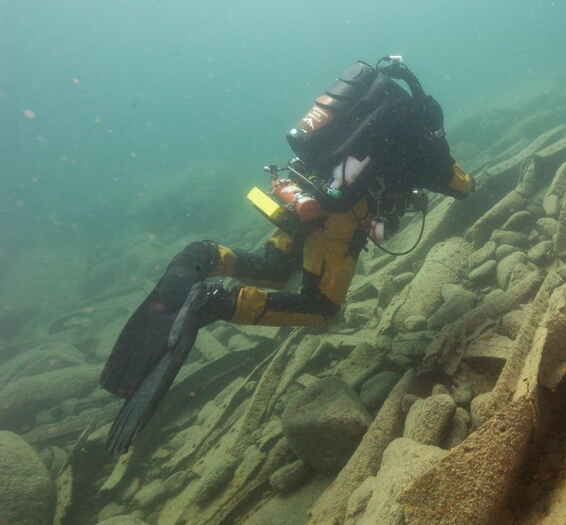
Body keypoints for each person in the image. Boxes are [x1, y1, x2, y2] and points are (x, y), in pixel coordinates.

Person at [100, 57, 473, 454]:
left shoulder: (360, 125)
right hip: (333, 226)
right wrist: (450, 166)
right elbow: (460, 186)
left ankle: (209, 255)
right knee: (320, 308)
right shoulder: (422, 143)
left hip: (300, 195)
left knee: (273, 270)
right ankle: (216, 303)